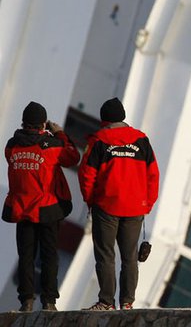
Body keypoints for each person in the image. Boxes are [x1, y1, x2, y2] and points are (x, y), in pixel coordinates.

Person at [79, 98, 159, 311]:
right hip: (135, 207)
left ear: (103, 119)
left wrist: (90, 201)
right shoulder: (141, 140)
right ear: (123, 116)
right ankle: (127, 302)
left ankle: (106, 302)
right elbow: (153, 174)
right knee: (130, 256)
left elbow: (87, 175)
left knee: (106, 255)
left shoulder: (99, 141)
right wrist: (147, 203)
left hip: (106, 206)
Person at [3, 101, 80, 312]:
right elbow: (73, 156)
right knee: (48, 256)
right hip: (48, 208)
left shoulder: (11, 146)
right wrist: (60, 134)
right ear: (43, 124)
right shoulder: (53, 146)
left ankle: (26, 301)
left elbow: (24, 149)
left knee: (26, 256)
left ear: (24, 122)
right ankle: (49, 301)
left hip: (22, 209)